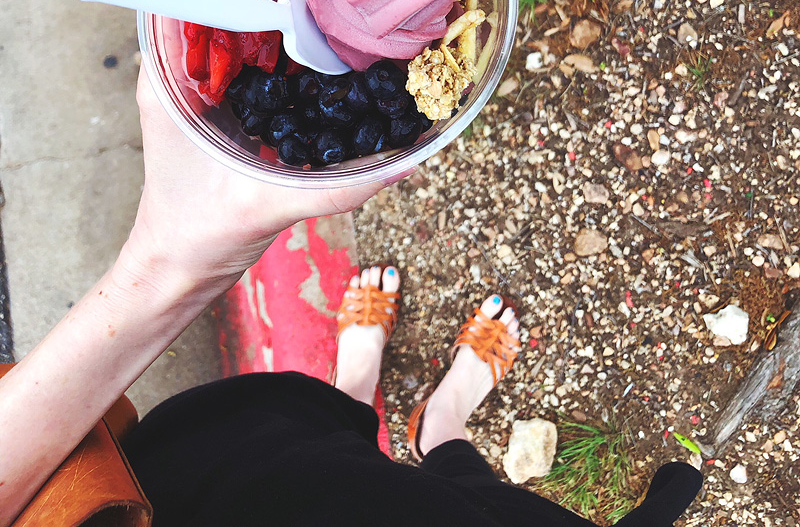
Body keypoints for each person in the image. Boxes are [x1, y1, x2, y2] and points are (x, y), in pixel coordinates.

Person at [0, 72, 702, 527]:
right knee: (471, 503)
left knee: (309, 439)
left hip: (216, 497)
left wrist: (167, 268)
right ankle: (442, 425)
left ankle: (356, 390)